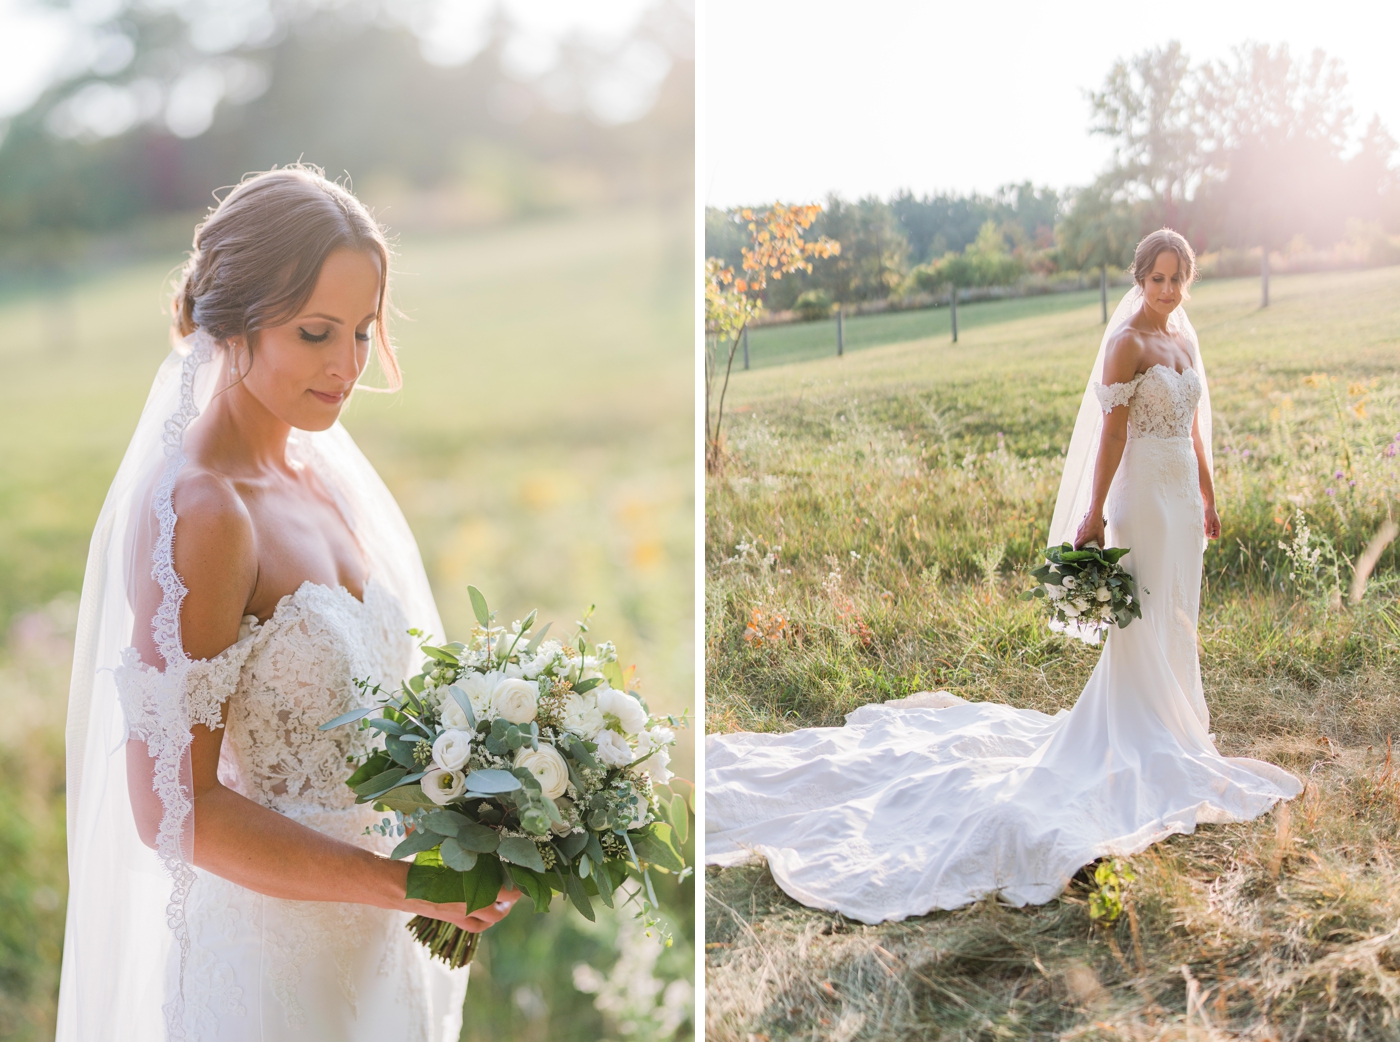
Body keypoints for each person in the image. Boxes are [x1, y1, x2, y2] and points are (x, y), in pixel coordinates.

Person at [705, 229, 1302, 925]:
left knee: (1178, 612)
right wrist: (1093, 516)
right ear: (1139, 278)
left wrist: (1207, 493)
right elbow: (1110, 436)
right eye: (1157, 278)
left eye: (1177, 279)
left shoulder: (1185, 340)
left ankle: (1179, 725)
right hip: (1140, 497)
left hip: (1180, 496)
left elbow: (1195, 423)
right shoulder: (1128, 343)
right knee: (1141, 616)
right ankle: (1141, 729)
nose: (1167, 290)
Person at [57, 165, 519, 1041]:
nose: (347, 367)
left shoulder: (321, 478)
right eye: (316, 333)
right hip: (270, 980)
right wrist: (398, 884)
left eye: (362, 330)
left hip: (377, 952)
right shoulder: (204, 512)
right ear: (231, 320)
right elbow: (171, 808)